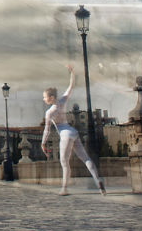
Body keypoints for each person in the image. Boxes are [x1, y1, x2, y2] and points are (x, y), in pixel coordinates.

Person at [41, 65, 106, 196]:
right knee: (86, 158)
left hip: (65, 134)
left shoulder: (49, 112)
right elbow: (71, 87)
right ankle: (98, 181)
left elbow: (47, 130)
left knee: (64, 162)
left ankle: (64, 189)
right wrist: (72, 73)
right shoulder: (63, 101)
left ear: (51, 97)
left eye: (45, 97)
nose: (44, 99)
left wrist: (43, 143)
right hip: (73, 132)